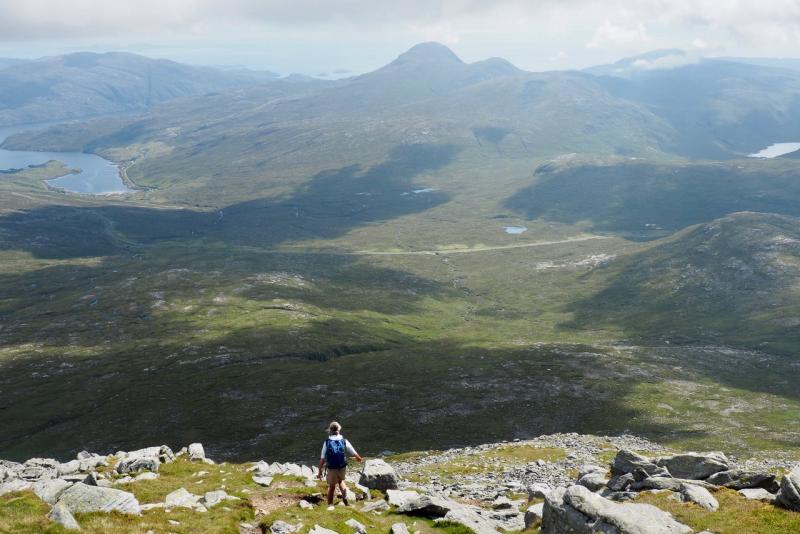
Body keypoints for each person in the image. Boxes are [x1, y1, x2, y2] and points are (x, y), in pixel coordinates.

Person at [318, 421, 362, 510]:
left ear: (330, 430)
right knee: (340, 480)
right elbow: (354, 453)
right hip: (342, 466)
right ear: (339, 430)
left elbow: (322, 458)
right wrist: (359, 459)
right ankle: (346, 501)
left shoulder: (327, 442)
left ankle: (330, 505)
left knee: (332, 486)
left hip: (331, 467)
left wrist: (320, 470)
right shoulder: (344, 441)